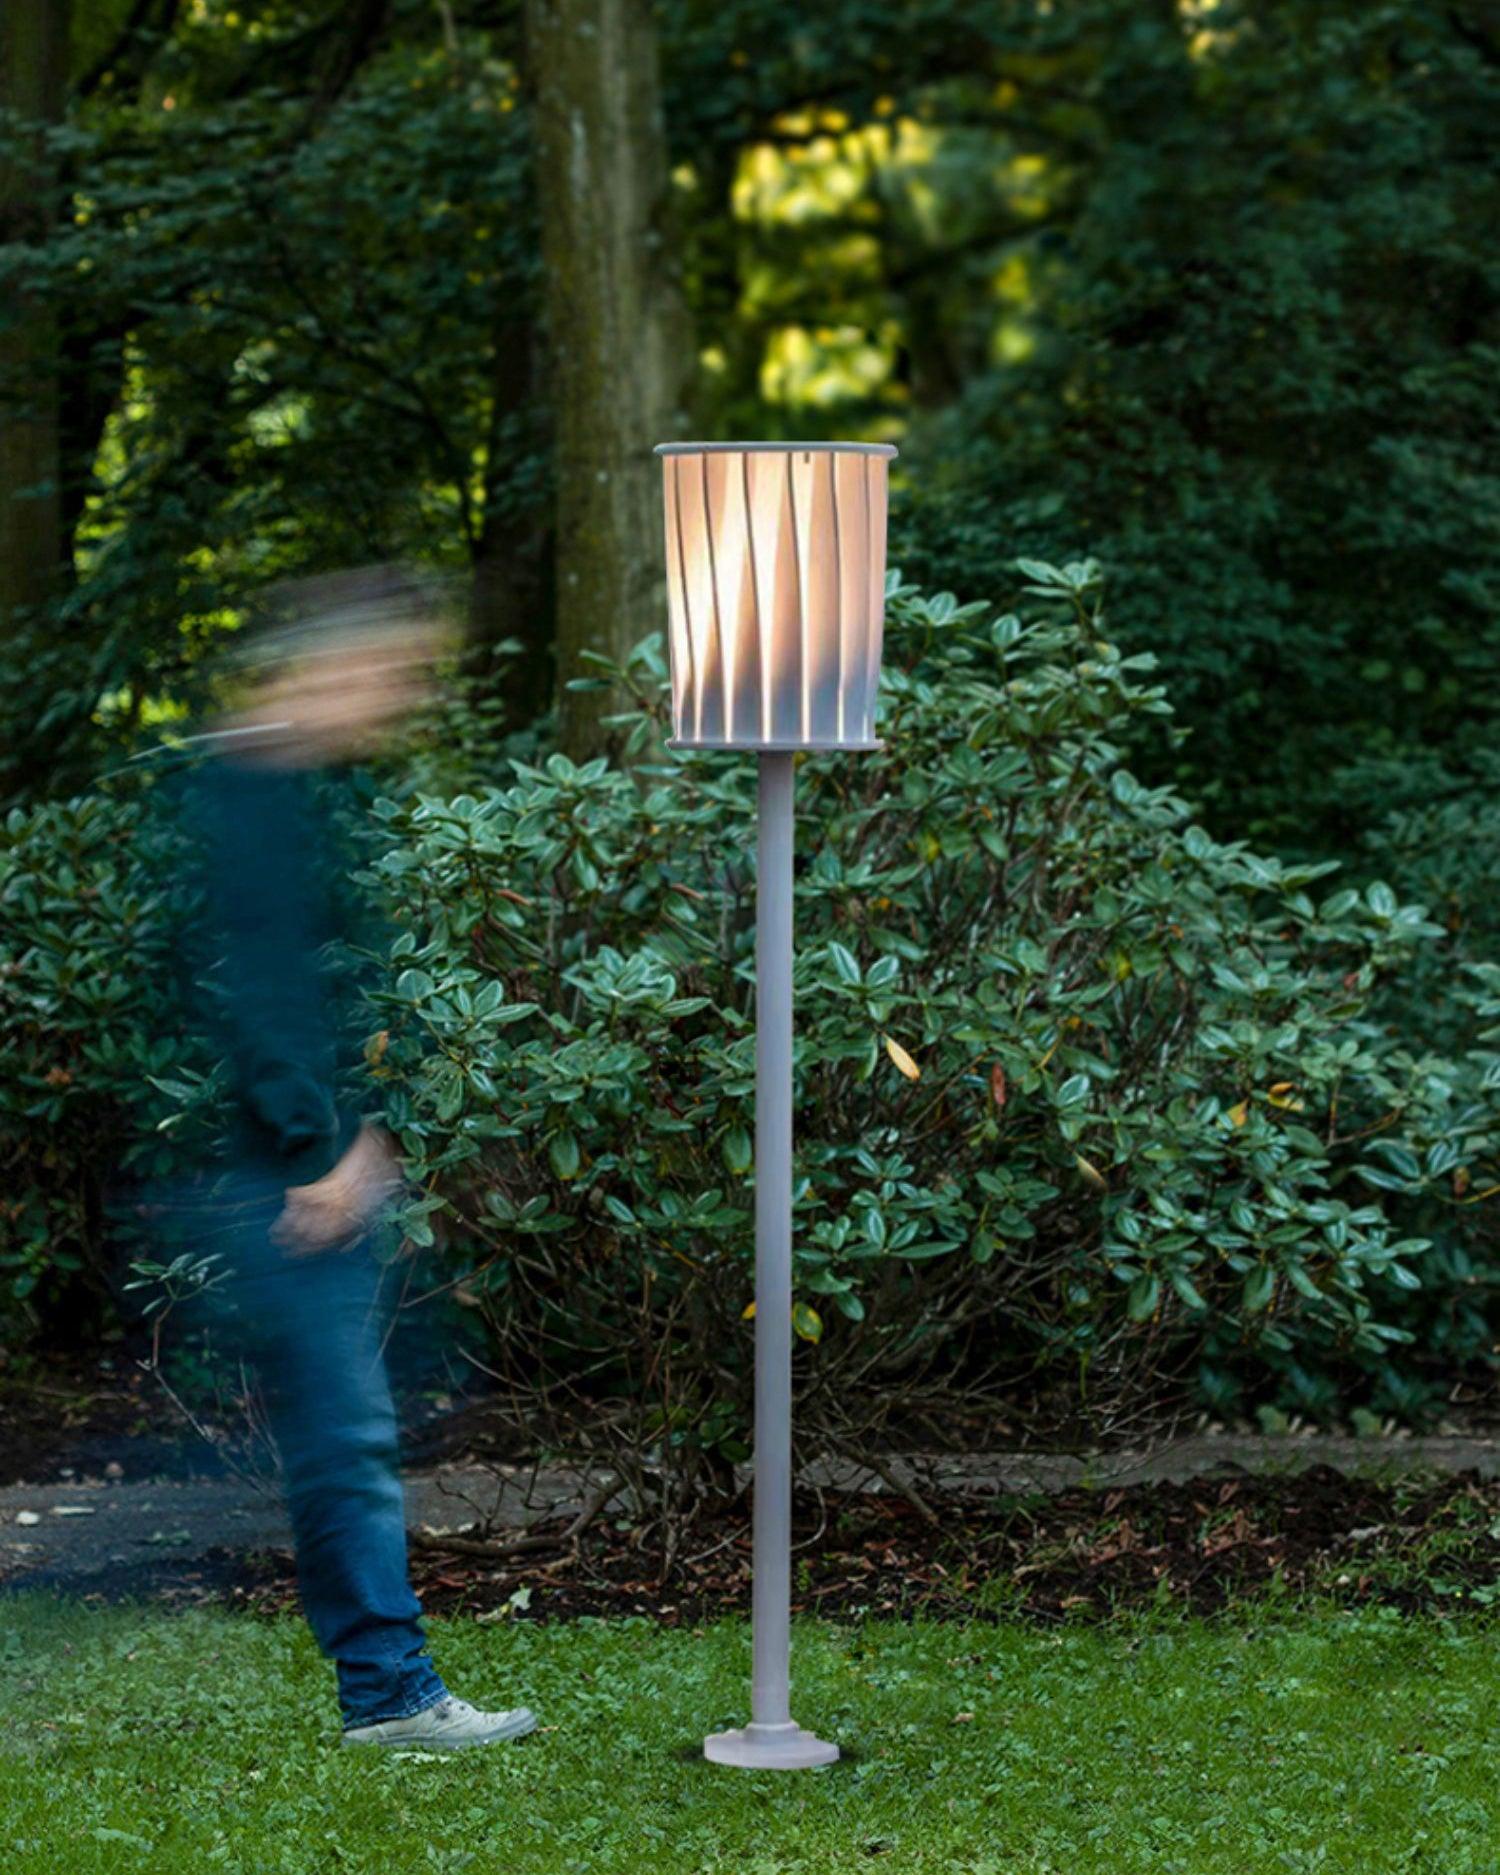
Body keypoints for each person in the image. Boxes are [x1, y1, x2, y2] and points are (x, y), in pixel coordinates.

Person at [173, 570, 535, 1751]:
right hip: (277, 1179)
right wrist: (317, 1154)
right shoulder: (251, 797)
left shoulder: (287, 788)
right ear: (329, 664)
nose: (399, 693)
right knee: (343, 1440)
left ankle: (386, 1688)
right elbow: (256, 989)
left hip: (290, 1164)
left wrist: (359, 1132)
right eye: (390, 669)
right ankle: (389, 1696)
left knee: (341, 1438)